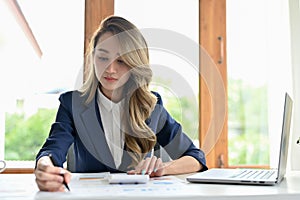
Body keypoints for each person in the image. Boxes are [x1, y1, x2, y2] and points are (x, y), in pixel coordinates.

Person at [34, 15, 208, 192]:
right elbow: (51, 150)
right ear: (93, 58)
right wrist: (45, 167)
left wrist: (163, 168)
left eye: (121, 61)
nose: (110, 69)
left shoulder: (151, 106)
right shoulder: (72, 103)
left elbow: (196, 158)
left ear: (135, 64)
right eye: (103, 58)